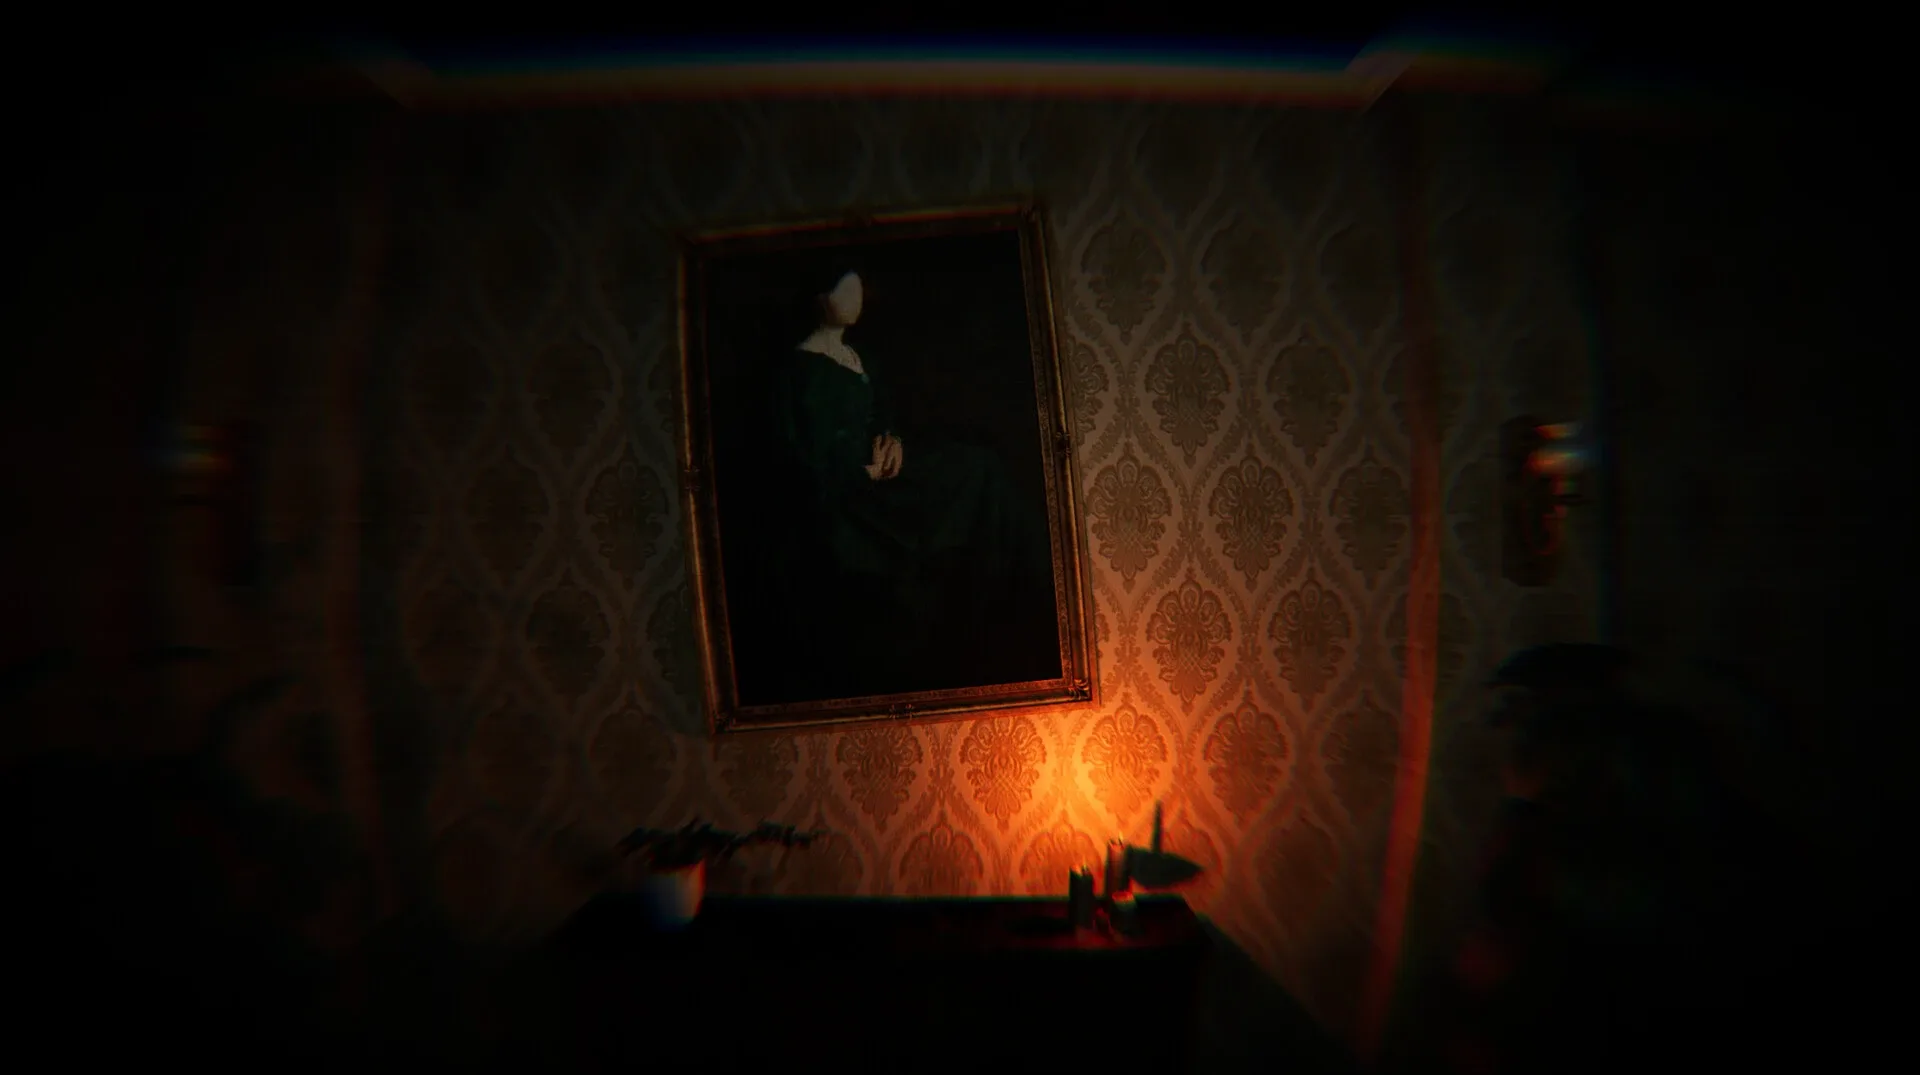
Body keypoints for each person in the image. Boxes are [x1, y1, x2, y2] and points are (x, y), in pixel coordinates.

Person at [749, 268, 1057, 700]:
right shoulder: (798, 369)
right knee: (964, 483)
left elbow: (881, 415)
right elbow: (801, 453)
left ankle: (1018, 606)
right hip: (844, 492)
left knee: (977, 468)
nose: (854, 297)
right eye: (842, 288)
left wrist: (892, 439)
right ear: (820, 297)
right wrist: (858, 473)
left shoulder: (856, 357)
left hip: (882, 471)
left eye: (857, 287)